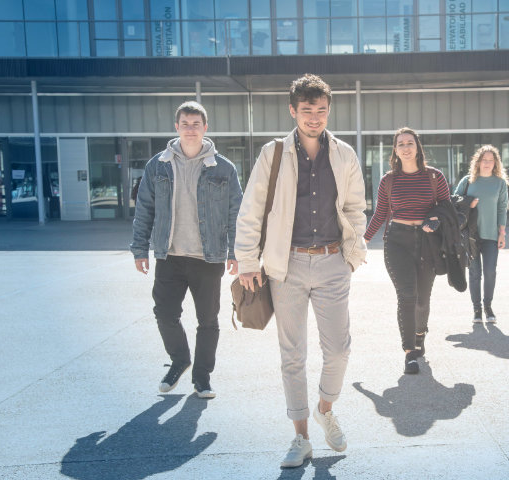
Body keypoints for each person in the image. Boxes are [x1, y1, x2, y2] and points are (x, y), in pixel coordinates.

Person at [235, 74, 367, 468]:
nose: (314, 118)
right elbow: (252, 210)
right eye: (307, 110)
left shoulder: (344, 154)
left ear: (329, 111)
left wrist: (351, 250)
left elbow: (356, 208)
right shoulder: (273, 153)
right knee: (292, 355)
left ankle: (325, 408)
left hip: (331, 262)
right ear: (293, 110)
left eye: (321, 110)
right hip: (285, 264)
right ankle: (301, 437)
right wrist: (246, 261)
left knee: (339, 349)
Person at [131, 101, 243, 400]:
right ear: (176, 127)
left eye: (196, 124)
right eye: (185, 123)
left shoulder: (223, 168)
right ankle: (180, 360)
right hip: (169, 254)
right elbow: (145, 209)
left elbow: (236, 213)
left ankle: (202, 378)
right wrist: (140, 249)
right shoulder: (158, 165)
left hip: (208, 257)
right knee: (164, 313)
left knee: (208, 320)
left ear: (205, 128)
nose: (190, 129)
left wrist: (236, 252)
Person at [364, 127, 451, 375]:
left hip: (427, 243)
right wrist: (364, 240)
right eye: (400, 143)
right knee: (407, 295)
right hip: (397, 242)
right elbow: (380, 214)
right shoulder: (388, 180)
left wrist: (435, 218)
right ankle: (410, 352)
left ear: (417, 147)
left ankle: (420, 333)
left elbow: (446, 207)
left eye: (409, 142)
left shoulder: (435, 177)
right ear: (395, 149)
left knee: (422, 300)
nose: (405, 147)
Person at [454, 145, 509, 324]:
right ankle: (476, 310)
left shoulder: (499, 183)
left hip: (491, 235)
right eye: (484, 160)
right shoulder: (468, 181)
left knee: (491, 272)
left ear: (495, 163)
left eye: (490, 160)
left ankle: (488, 306)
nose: (487, 163)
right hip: (470, 235)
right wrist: (468, 203)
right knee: (475, 273)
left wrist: (502, 233)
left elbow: (502, 208)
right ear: (478, 162)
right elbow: (453, 201)